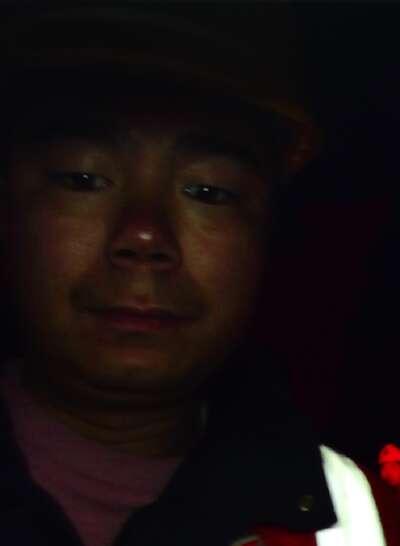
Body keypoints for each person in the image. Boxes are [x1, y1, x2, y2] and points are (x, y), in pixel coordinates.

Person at [0, 3, 398, 546]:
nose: (144, 235)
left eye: (208, 191)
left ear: (267, 231)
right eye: (83, 178)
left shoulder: (370, 525)